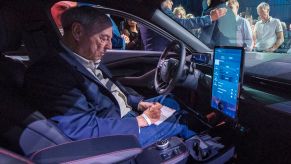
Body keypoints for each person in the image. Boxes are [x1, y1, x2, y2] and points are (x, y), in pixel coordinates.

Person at [24, 6, 195, 147]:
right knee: (177, 120)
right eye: (104, 38)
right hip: (115, 135)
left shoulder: (86, 58)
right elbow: (83, 129)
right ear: (77, 32)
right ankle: (206, 148)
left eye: (111, 39)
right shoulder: (50, 72)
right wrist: (142, 120)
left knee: (170, 101)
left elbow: (113, 90)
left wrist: (139, 103)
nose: (109, 46)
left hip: (125, 115)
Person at [161, 0, 227, 30]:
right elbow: (181, 24)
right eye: (169, 0)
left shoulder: (159, 15)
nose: (172, 3)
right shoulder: (163, 14)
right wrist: (210, 18)